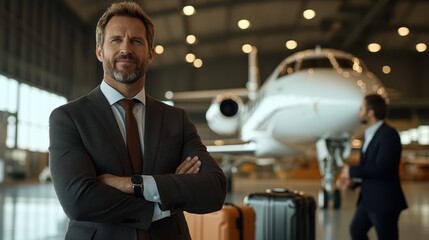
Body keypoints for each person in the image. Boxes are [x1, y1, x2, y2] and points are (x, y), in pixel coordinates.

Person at [48, 2, 227, 240]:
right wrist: (164, 200)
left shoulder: (176, 119)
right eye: (116, 40)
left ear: (150, 53)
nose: (126, 49)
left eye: (136, 41)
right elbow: (78, 201)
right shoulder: (69, 118)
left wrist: (134, 184)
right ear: (99, 51)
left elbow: (214, 190)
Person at [336, 94, 408, 240]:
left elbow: (382, 169)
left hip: (384, 200)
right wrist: (353, 182)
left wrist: (351, 171)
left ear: (371, 112)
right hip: (368, 199)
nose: (359, 112)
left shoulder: (389, 135)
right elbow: (369, 168)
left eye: (362, 108)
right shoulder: (369, 135)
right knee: (356, 231)